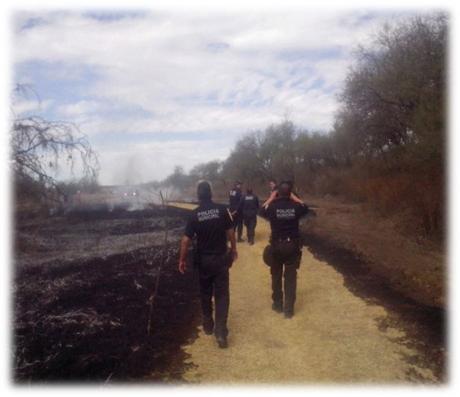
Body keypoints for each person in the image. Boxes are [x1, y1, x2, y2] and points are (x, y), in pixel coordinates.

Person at [178, 181, 238, 348]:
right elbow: (231, 232)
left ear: (198, 195)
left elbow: (185, 241)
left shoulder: (194, 215)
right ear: (211, 193)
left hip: (203, 261)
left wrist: (182, 260)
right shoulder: (222, 210)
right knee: (222, 295)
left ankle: (207, 323)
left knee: (205, 292)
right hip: (220, 260)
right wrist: (233, 249)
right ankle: (220, 332)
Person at [259, 181, 309, 319]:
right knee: (291, 278)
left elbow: (261, 210)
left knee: (276, 275)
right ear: (290, 193)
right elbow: (305, 207)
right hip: (292, 246)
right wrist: (294, 198)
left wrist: (271, 197)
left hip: (276, 246)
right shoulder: (296, 207)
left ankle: (278, 304)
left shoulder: (273, 207)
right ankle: (289, 309)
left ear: (278, 193)